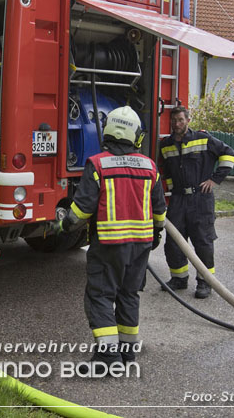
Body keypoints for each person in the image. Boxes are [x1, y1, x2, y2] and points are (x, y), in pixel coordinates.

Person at [57, 106, 166, 372]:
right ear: (135, 136)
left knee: (101, 297)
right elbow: (160, 210)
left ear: (108, 131)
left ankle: (107, 358)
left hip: (108, 246)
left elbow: (82, 210)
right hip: (140, 246)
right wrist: (157, 232)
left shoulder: (97, 164)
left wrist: (64, 224)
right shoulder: (150, 167)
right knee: (129, 295)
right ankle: (128, 353)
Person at [158, 106, 234, 299]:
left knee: (203, 242)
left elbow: (229, 155)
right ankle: (179, 278)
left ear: (188, 120)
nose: (176, 124)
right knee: (174, 242)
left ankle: (205, 283)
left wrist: (214, 180)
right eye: (174, 121)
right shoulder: (165, 144)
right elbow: (165, 169)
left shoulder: (204, 139)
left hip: (200, 199)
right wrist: (169, 188)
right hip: (178, 198)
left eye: (180, 120)